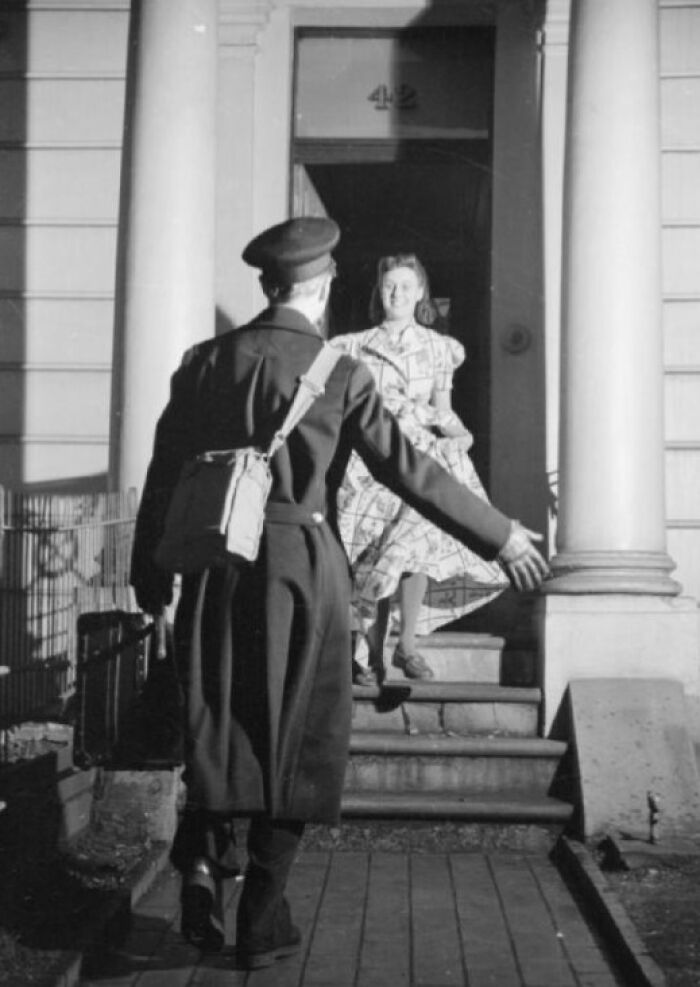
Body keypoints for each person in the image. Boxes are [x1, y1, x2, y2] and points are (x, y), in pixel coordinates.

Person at [129, 217, 549, 972]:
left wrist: (150, 576)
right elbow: (409, 470)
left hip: (216, 569)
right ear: (321, 289)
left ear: (268, 286)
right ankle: (261, 913)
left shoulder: (201, 363)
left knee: (221, 719)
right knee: (302, 737)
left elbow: (163, 478)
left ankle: (200, 865)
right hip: (302, 568)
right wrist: (501, 534)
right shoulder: (339, 372)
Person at [332, 253, 507, 686]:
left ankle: (407, 645)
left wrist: (459, 433)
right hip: (368, 458)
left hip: (418, 452)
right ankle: (369, 655)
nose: (397, 294)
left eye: (406, 286)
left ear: (420, 292)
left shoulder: (437, 347)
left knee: (415, 544)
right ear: (380, 290)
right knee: (373, 552)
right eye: (390, 285)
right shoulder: (351, 346)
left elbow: (441, 411)